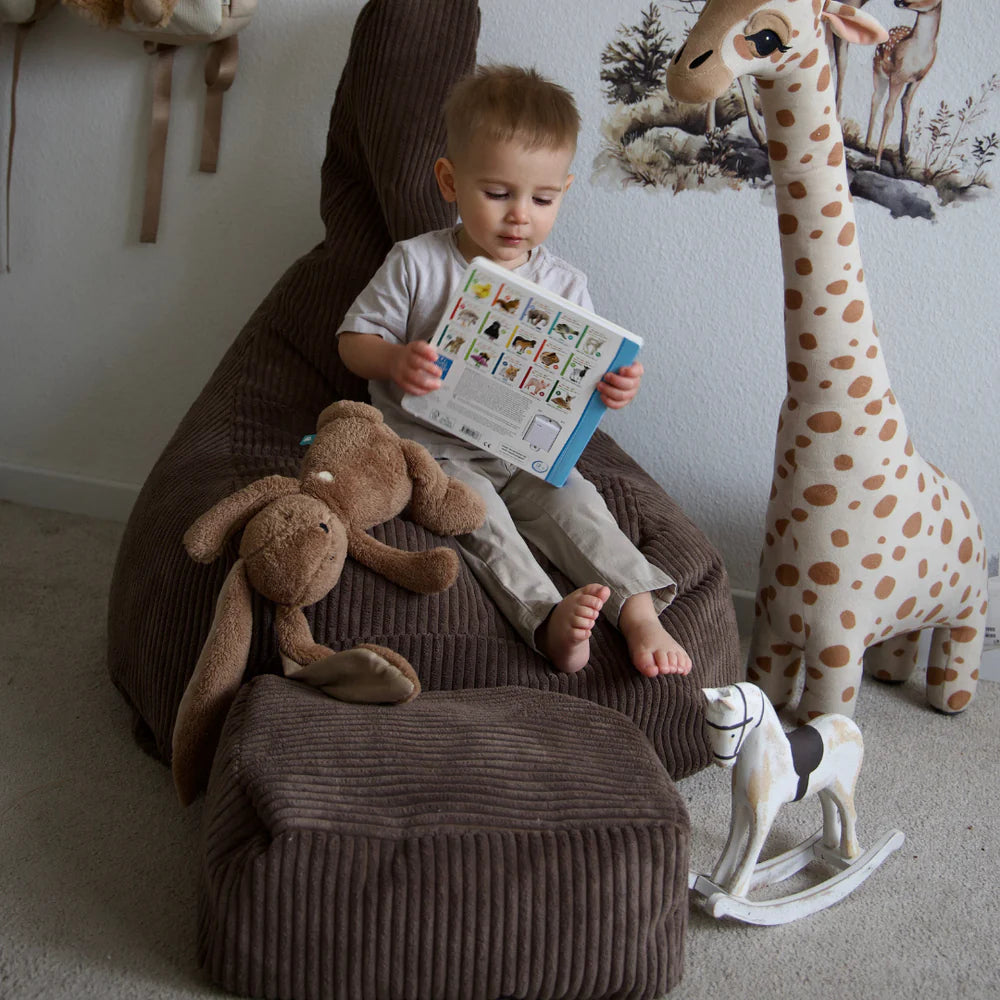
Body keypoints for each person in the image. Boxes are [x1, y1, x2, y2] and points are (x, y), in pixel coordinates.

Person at [337, 64, 691, 677]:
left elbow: (579, 379)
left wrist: (614, 386)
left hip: (527, 452)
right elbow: (352, 340)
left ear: (564, 193)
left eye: (543, 198)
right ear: (450, 181)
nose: (519, 215)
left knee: (581, 504)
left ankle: (638, 611)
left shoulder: (564, 285)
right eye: (498, 193)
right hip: (435, 451)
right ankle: (545, 618)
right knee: (482, 520)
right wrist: (395, 358)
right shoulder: (418, 263)